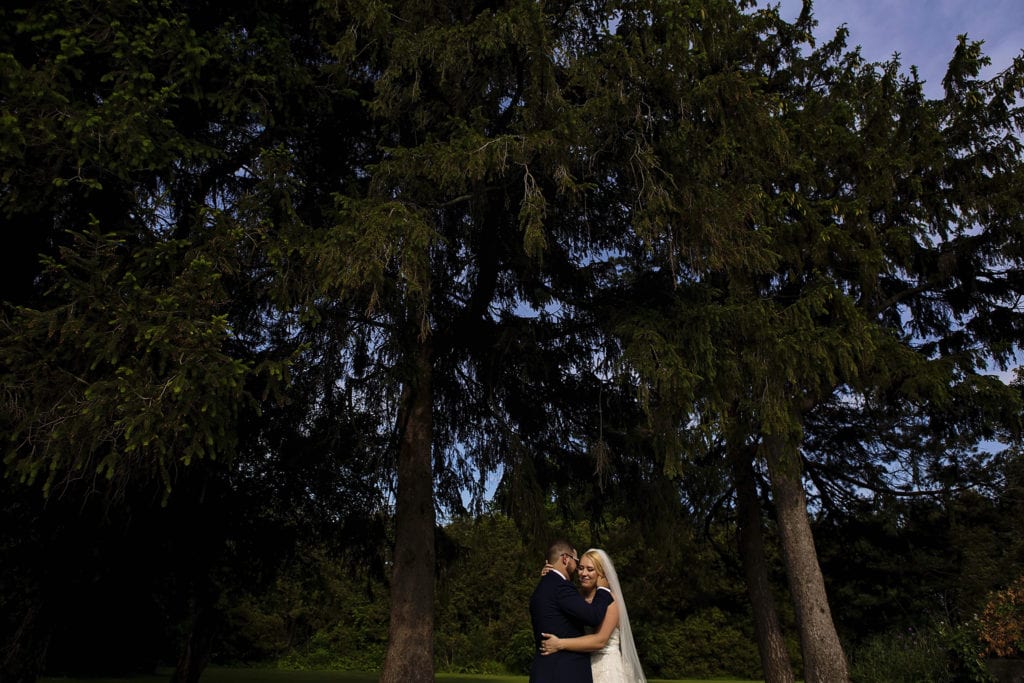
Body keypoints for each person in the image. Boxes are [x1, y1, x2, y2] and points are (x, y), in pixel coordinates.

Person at [539, 549, 646, 683]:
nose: (583, 574)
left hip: (607, 669)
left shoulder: (611, 600)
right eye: (581, 568)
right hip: (582, 668)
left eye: (590, 569)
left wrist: (560, 644)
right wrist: (550, 578)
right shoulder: (576, 597)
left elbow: (600, 641)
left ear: (601, 574)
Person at [529, 540, 613, 683]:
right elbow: (593, 616)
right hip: (565, 673)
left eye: (590, 569)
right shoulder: (561, 588)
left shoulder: (545, 585)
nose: (579, 571)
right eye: (577, 564)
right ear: (566, 559)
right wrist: (604, 589)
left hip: (545, 671)